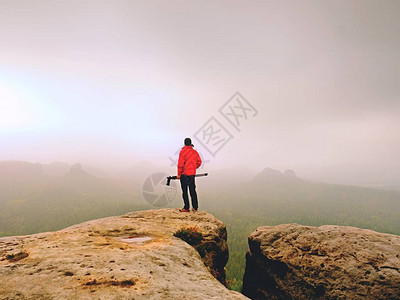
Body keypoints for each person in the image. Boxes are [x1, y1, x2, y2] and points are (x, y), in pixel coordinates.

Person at [177, 138, 202, 212]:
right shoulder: (194, 152)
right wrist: (193, 168)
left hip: (184, 174)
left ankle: (186, 207)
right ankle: (195, 207)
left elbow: (180, 164)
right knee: (192, 191)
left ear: (184, 143)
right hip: (192, 174)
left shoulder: (182, 152)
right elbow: (199, 162)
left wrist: (179, 174)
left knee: (185, 191)